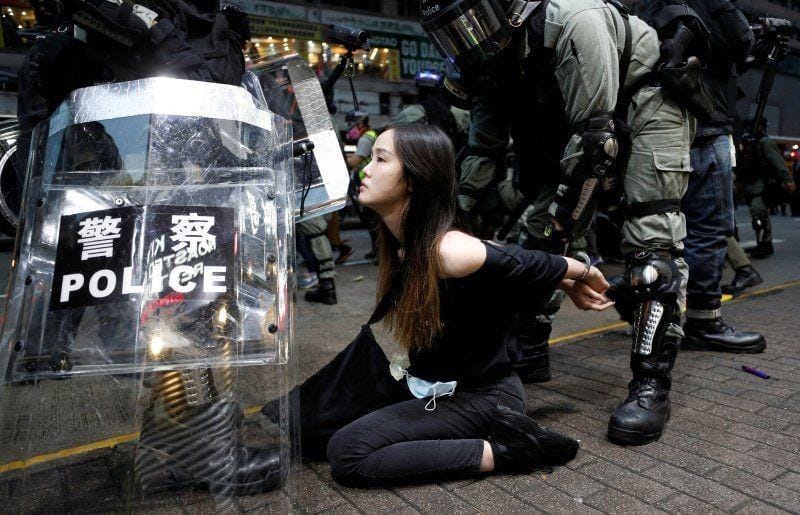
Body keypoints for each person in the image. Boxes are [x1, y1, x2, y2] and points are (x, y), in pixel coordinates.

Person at [421, 0, 695, 445]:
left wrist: (562, 236)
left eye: (468, 23)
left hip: (645, 104)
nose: (464, 40)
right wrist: (449, 223)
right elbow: (481, 154)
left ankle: (651, 384)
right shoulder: (488, 62)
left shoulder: (574, 20)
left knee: (651, 248)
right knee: (537, 235)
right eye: (451, 32)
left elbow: (596, 147)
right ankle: (528, 349)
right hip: (582, 127)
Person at [326, 123, 614, 486]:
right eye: (370, 158)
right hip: (442, 390)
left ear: (413, 179)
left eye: (380, 159)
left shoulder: (444, 248)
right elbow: (493, 259)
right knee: (331, 419)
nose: (365, 168)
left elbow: (518, 259)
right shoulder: (408, 245)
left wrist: (580, 270)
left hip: (483, 400)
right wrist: (563, 280)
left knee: (348, 453)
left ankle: (512, 449)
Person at [660, 0, 765, 353]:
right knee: (709, 227)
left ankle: (657, 319)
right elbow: (740, 39)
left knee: (660, 228)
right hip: (705, 122)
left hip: (659, 124)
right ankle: (704, 321)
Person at [736, 118, 796, 258]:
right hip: (750, 186)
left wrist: (788, 180)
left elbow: (778, 162)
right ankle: (761, 244)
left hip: (762, 186)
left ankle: (765, 245)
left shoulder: (764, 142)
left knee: (759, 214)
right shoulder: (747, 144)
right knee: (756, 216)